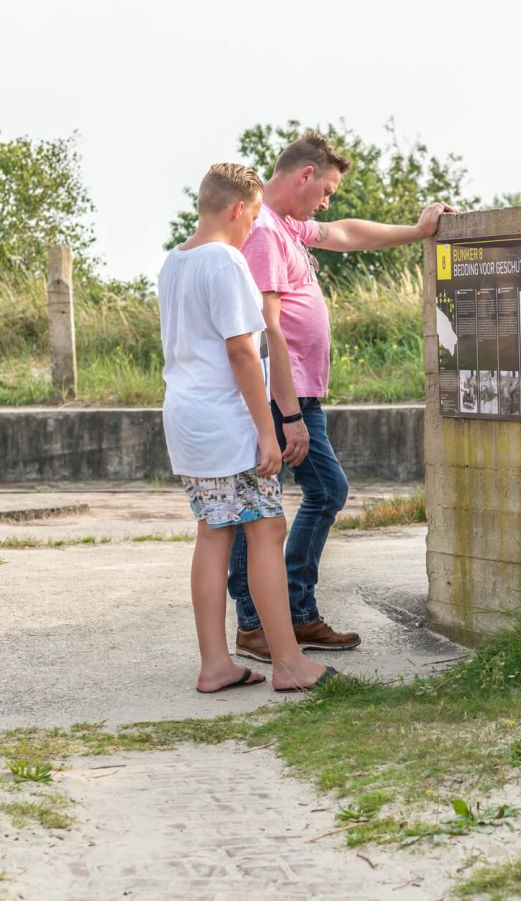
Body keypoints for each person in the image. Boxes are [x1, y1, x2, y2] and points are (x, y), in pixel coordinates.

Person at [228, 132, 454, 661]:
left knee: (283, 499)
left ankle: (288, 616)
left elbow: (348, 234)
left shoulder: (288, 226)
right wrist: (287, 417)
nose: (328, 202)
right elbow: (268, 330)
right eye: (326, 189)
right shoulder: (263, 232)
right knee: (282, 500)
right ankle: (263, 621)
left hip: (300, 396)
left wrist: (418, 231)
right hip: (284, 399)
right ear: (304, 176)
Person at [159, 162, 335, 693]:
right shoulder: (227, 262)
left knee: (213, 534)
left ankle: (216, 664)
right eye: (254, 216)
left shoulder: (174, 262)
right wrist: (268, 430)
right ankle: (288, 663)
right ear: (238, 208)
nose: (254, 227)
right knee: (266, 529)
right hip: (228, 420)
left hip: (187, 419)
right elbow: (242, 351)